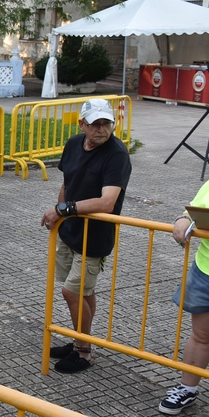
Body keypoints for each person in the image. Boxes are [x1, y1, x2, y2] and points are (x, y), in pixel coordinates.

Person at [41, 98, 132, 374]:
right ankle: (81, 340)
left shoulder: (117, 154)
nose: (101, 129)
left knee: (72, 291)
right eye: (95, 124)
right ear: (83, 124)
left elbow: (107, 202)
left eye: (107, 123)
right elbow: (67, 182)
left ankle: (84, 352)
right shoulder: (73, 144)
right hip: (70, 231)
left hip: (95, 236)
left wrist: (63, 209)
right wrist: (60, 216)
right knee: (83, 291)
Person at [159, 181, 209, 414]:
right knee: (202, 335)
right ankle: (187, 389)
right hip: (206, 272)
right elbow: (193, 210)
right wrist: (182, 220)